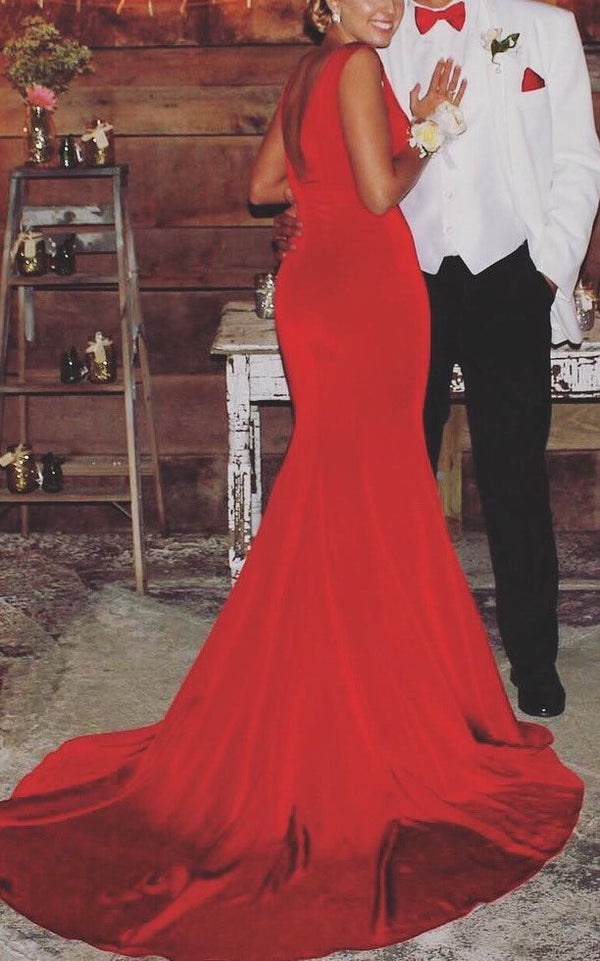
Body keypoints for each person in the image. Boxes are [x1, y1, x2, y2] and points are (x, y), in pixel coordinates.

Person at [0, 3, 584, 960]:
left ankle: (360, 667)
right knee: (373, 494)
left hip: (324, 292)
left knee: (341, 494)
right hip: (372, 298)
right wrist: (431, 128)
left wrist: (328, 204)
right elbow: (382, 192)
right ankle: (360, 695)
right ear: (329, 3)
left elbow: (266, 184)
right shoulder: (355, 66)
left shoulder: (310, 67)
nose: (387, 6)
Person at [275, 0, 600, 719]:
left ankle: (534, 661)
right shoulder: (372, 35)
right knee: (394, 472)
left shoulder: (543, 27)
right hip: (400, 279)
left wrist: (547, 271)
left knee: (515, 473)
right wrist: (307, 210)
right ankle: (385, 653)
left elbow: (579, 159)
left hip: (512, 275)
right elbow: (336, 156)